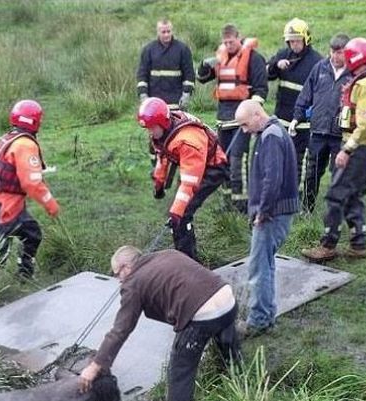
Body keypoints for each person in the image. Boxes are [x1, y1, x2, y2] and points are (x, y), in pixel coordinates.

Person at [78, 246, 241, 401]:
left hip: (202, 315)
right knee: (227, 342)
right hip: (227, 299)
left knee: (181, 369)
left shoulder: (133, 283)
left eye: (117, 273)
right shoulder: (167, 253)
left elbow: (121, 330)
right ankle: (239, 380)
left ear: (126, 267)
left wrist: (95, 366)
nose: (118, 280)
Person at [301, 38, 366, 261]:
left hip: (362, 147)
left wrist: (347, 149)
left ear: (353, 57)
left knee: (335, 194)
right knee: (353, 193)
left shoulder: (365, 84)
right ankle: (358, 245)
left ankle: (328, 245)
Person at [234, 100, 299, 336]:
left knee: (258, 267)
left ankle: (258, 320)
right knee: (267, 263)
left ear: (256, 115)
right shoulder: (272, 132)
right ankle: (267, 315)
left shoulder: (271, 136)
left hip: (273, 213)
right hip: (278, 210)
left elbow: (272, 179)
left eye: (244, 124)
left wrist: (263, 211)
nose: (244, 130)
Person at [137, 97, 229, 261]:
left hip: (213, 169)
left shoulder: (188, 141)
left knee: (183, 213)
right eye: (148, 129)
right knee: (176, 213)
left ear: (162, 122)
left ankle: (189, 262)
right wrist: (159, 184)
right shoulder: (163, 132)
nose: (150, 132)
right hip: (193, 165)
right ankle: (181, 255)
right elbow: (163, 157)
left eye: (152, 128)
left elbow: (189, 183)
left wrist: (177, 212)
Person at [0, 99, 59, 278]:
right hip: (4, 206)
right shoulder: (25, 145)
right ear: (34, 121)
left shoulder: (8, 138)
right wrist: (51, 205)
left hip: (6, 203)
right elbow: (31, 183)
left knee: (32, 234)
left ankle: (24, 273)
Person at [197, 24, 268, 214]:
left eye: (231, 42)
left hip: (241, 123)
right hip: (223, 119)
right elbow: (202, 78)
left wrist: (251, 111)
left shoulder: (254, 58)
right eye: (225, 42)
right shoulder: (220, 58)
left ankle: (243, 206)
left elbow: (262, 90)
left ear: (239, 38)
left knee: (238, 162)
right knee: (223, 161)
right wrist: (205, 65)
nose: (228, 45)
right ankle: (227, 203)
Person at [292, 33, 352, 213]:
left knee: (339, 174)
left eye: (340, 52)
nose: (335, 56)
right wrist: (297, 117)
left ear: (348, 53)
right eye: (332, 52)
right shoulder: (320, 68)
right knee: (311, 173)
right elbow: (305, 94)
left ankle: (336, 213)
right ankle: (306, 210)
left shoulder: (355, 73)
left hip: (341, 134)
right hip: (318, 131)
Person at [266, 18, 322, 193]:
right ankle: (279, 192)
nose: (294, 45)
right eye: (291, 41)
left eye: (297, 41)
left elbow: (320, 94)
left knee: (300, 162)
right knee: (279, 158)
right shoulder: (283, 54)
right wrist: (276, 65)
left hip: (303, 123)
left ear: (306, 39)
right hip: (281, 118)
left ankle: (297, 198)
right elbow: (266, 74)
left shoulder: (317, 62)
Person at [136, 19, 196, 111]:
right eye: (163, 32)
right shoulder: (148, 50)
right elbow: (142, 75)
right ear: (158, 32)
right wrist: (143, 96)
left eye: (169, 31)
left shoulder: (183, 49)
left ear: (172, 31)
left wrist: (186, 95)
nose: (166, 34)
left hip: (177, 103)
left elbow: (189, 75)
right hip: (154, 104)